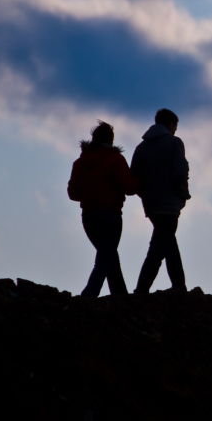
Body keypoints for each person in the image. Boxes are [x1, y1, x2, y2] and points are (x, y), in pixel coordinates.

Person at [67, 120, 139, 298]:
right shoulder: (115, 160)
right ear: (111, 139)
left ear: (93, 139)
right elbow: (130, 188)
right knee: (105, 259)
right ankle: (88, 296)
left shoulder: (80, 162)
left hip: (89, 216)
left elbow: (73, 193)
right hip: (110, 215)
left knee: (109, 258)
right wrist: (141, 179)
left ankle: (120, 296)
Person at [131, 108, 191, 293]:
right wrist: (183, 195)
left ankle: (179, 286)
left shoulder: (140, 148)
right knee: (158, 249)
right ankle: (141, 290)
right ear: (170, 124)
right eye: (175, 126)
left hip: (151, 206)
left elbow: (135, 178)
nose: (175, 131)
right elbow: (179, 172)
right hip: (169, 204)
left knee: (168, 243)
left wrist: (146, 196)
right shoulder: (175, 143)